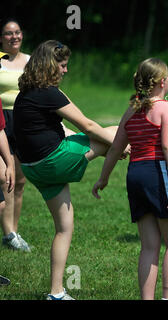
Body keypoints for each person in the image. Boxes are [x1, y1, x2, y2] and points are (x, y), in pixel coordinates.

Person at [13, 40, 124, 300]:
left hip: (32, 168)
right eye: (62, 66)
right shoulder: (50, 93)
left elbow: (59, 130)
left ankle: (56, 293)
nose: (65, 71)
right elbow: (87, 125)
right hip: (52, 162)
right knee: (117, 133)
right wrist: (116, 146)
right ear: (50, 66)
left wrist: (110, 147)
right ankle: (151, 154)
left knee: (64, 227)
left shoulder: (25, 95)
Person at [92, 58, 168, 300]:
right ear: (164, 82)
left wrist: (103, 178)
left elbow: (115, 148)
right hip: (159, 173)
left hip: (135, 175)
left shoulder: (132, 109)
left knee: (149, 246)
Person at [0, 19, 31, 252]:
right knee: (5, 178)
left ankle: (14, 233)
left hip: (23, 122)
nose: (14, 37)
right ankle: (8, 231)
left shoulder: (31, 61)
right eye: (9, 34)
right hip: (1, 122)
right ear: (1, 38)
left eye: (17, 32)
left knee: (19, 180)